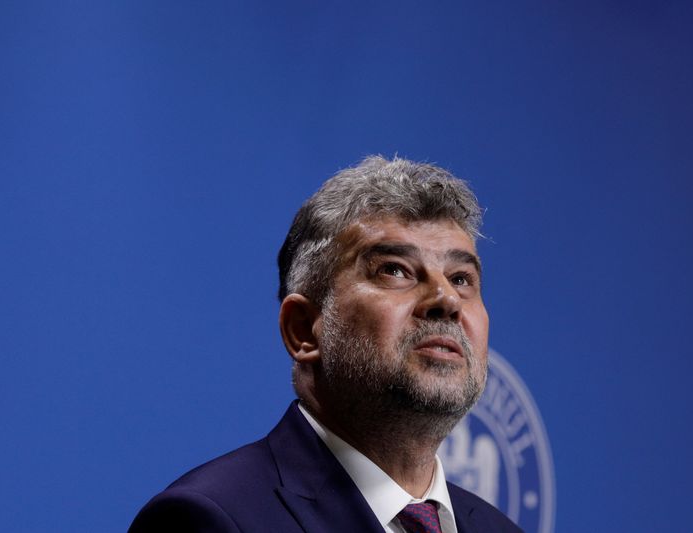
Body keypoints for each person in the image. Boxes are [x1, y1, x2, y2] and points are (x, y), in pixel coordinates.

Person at [129, 156, 522, 533]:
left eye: (461, 278)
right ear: (303, 329)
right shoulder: (211, 519)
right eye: (395, 270)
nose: (446, 300)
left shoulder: (499, 529)